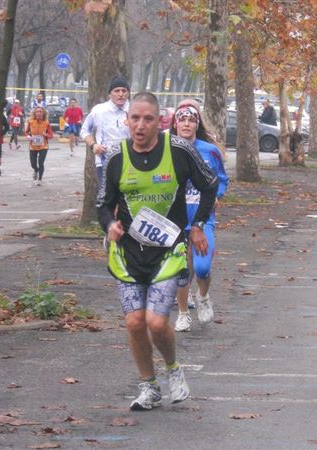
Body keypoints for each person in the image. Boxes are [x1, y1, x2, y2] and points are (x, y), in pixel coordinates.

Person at [97, 91, 218, 411]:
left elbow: (210, 185)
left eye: (147, 119)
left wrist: (198, 225)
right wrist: (109, 225)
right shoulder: (115, 156)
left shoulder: (179, 150)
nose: (140, 125)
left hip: (169, 251)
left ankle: (174, 369)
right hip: (127, 253)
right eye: (134, 118)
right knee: (135, 323)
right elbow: (102, 205)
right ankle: (149, 386)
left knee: (155, 320)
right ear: (127, 120)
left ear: (159, 122)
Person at [170, 100, 229, 332]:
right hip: (175, 220)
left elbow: (221, 180)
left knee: (202, 268)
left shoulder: (209, 150)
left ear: (197, 124)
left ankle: (203, 296)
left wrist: (218, 196)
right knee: (181, 270)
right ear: (175, 123)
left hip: (203, 219)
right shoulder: (166, 148)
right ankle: (183, 313)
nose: (186, 124)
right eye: (182, 119)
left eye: (191, 120)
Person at [81, 75, 131, 184]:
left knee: (128, 199)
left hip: (131, 163)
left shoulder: (134, 110)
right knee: (107, 199)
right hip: (104, 162)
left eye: (124, 91)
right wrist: (93, 145)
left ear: (128, 93)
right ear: (110, 94)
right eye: (116, 91)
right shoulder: (99, 110)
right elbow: (84, 130)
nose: (121, 94)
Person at [25, 106, 54, 186]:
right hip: (33, 146)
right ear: (34, 113)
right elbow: (26, 132)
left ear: (43, 113)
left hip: (43, 146)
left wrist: (46, 135)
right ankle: (36, 170)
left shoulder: (46, 123)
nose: (39, 113)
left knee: (41, 163)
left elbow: (51, 135)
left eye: (40, 112)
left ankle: (40, 179)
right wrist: (28, 137)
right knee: (33, 164)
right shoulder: (30, 122)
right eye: (37, 111)